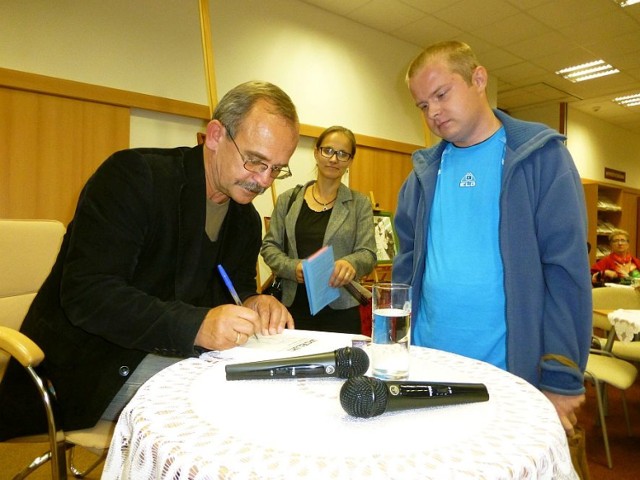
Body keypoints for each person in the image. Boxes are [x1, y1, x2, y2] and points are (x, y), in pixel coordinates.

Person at [0, 81, 299, 440]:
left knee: (271, 393)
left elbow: (234, 288)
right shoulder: (134, 176)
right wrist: (196, 325)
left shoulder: (244, 219)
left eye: (277, 169)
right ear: (216, 136)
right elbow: (88, 294)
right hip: (91, 365)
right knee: (225, 412)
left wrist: (254, 302)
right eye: (255, 161)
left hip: (175, 356)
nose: (264, 181)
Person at [393, 41, 592, 435]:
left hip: (512, 377)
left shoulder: (541, 158)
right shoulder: (422, 174)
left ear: (478, 79)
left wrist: (562, 375)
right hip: (429, 368)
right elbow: (406, 268)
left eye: (441, 94)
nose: (432, 112)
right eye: (422, 105)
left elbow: (566, 272)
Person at [261, 126, 376, 333]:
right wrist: (292, 268)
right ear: (316, 152)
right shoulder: (289, 199)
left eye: (342, 154)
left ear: (350, 161)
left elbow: (368, 253)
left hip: (341, 309)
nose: (333, 159)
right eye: (328, 150)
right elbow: (270, 247)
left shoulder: (359, 204)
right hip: (293, 308)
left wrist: (350, 263)